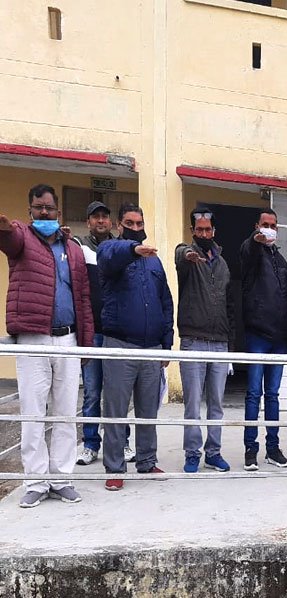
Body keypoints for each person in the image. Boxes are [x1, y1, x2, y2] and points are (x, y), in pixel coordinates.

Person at [0, 184, 94, 508]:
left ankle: (61, 479)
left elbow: (83, 296)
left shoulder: (73, 249)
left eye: (49, 208)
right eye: (38, 207)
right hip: (33, 338)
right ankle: (36, 482)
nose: (44, 212)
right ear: (30, 211)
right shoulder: (22, 238)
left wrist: (86, 343)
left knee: (66, 413)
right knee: (33, 413)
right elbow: (9, 239)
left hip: (68, 339)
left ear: (58, 212)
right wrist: (4, 227)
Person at [98, 203, 174, 491]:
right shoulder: (110, 250)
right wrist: (132, 249)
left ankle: (146, 461)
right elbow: (111, 257)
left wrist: (167, 343)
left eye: (139, 224)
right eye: (129, 223)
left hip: (151, 348)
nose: (135, 228)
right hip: (120, 345)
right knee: (116, 411)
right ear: (119, 225)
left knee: (148, 411)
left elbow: (165, 301)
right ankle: (115, 467)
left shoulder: (154, 261)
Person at [175, 208, 235, 474]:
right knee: (192, 405)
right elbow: (180, 254)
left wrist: (230, 343)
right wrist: (189, 255)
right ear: (192, 232)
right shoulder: (187, 256)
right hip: (193, 341)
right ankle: (192, 453)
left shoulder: (222, 264)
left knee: (216, 405)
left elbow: (229, 305)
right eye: (199, 230)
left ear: (214, 231)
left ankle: (213, 453)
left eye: (207, 229)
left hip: (219, 342)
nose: (203, 234)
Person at [75, 200, 134, 466]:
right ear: (88, 222)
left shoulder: (120, 248)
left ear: (111, 222)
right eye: (95, 217)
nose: (100, 221)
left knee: (117, 392)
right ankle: (90, 444)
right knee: (91, 392)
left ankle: (121, 441)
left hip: (116, 333)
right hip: (91, 333)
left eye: (104, 217)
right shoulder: (79, 247)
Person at [240, 208, 287, 470]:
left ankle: (273, 448)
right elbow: (247, 251)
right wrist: (254, 241)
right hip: (257, 334)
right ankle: (251, 449)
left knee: (272, 395)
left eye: (273, 225)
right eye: (265, 225)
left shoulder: (281, 260)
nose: (269, 229)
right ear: (256, 226)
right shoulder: (251, 251)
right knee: (253, 394)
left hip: (279, 338)